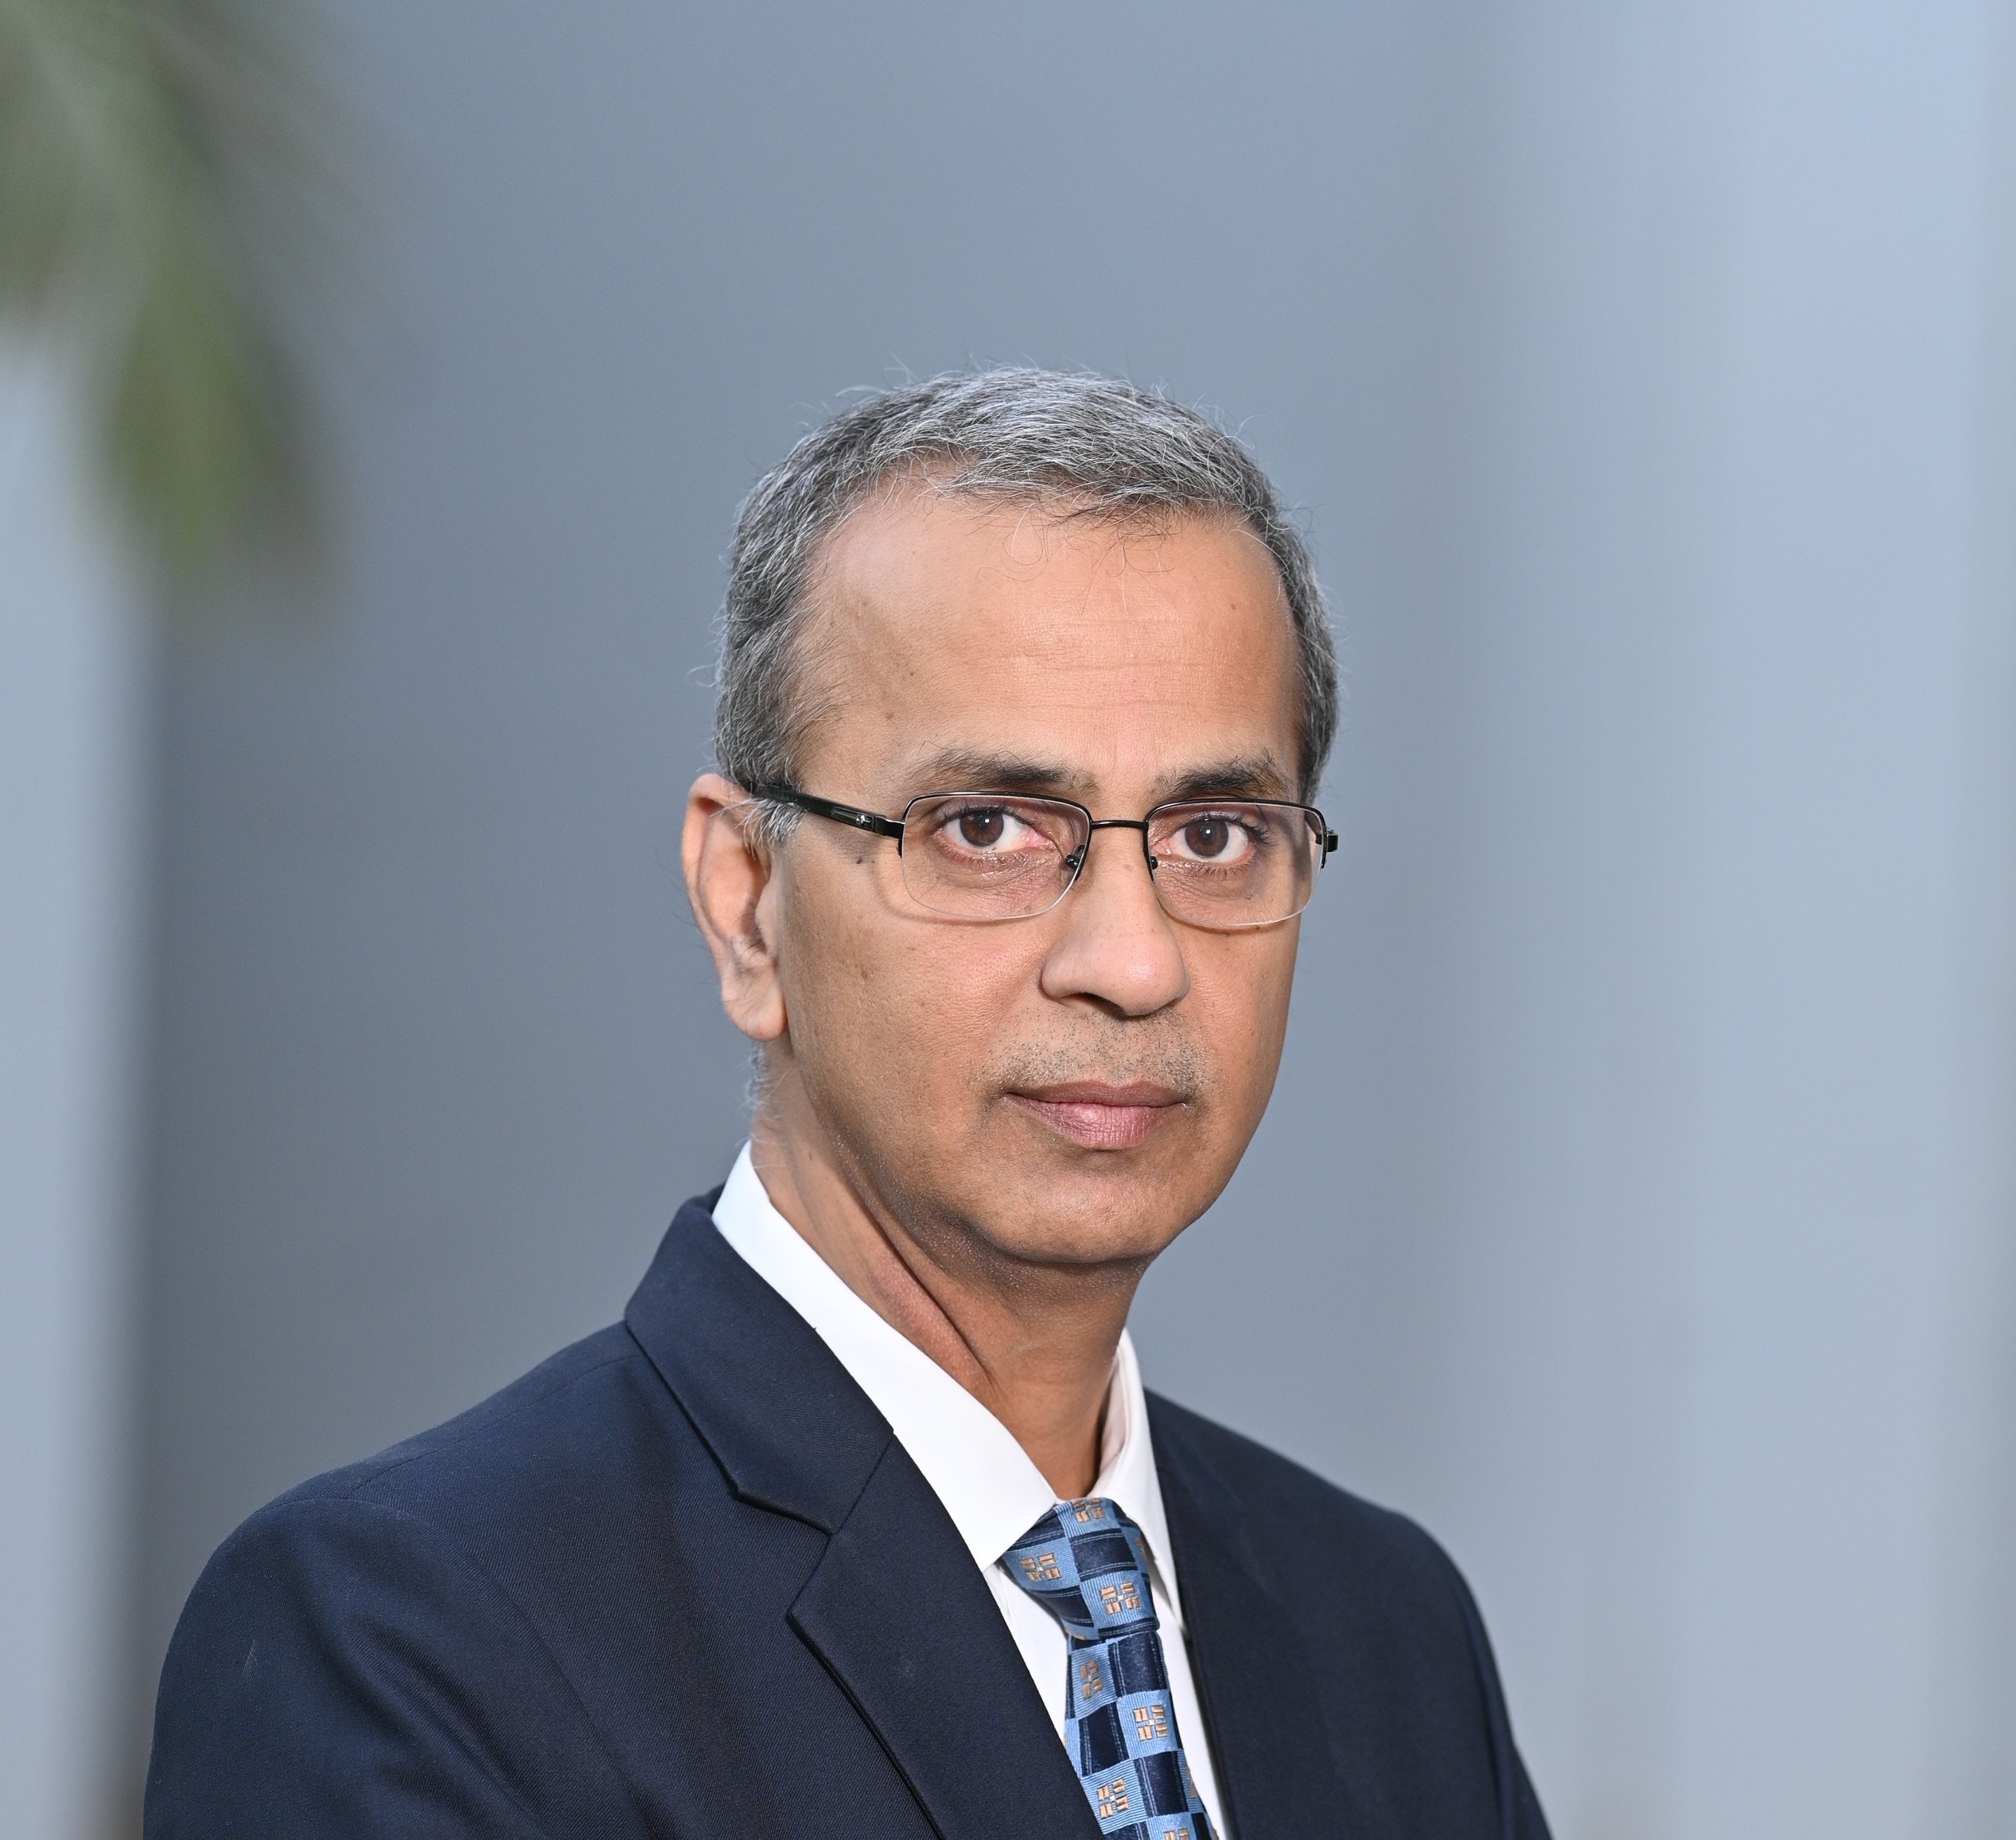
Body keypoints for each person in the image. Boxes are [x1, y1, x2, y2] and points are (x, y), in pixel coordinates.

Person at [146, 370, 1551, 1838]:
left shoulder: (1386, 1633)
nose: (1132, 962)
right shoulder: (413, 1634)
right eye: (987, 827)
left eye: (1212, 834)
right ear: (745, 904)